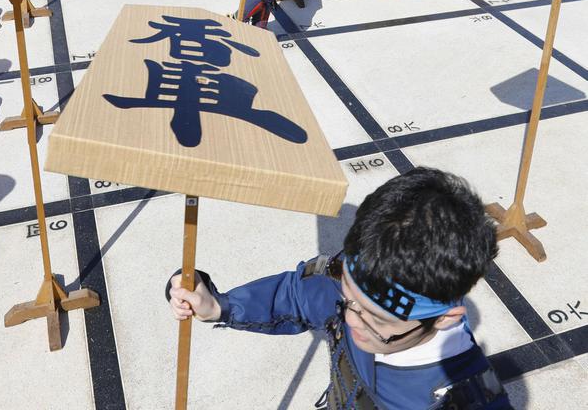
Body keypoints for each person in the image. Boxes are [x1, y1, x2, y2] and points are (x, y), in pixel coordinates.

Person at [167, 167, 511, 410]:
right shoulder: (363, 285)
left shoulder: (462, 399)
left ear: (445, 318)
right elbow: (296, 295)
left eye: (375, 320)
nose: (350, 320)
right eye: (347, 298)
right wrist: (217, 306)